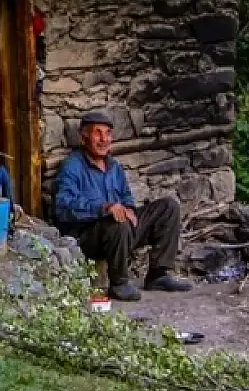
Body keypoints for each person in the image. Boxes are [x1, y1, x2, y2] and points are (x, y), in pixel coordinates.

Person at [53, 110, 189, 302]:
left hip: (120, 235)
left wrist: (129, 209)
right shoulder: (72, 166)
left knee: (168, 207)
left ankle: (158, 274)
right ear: (84, 138)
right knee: (117, 222)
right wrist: (104, 208)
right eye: (97, 133)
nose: (104, 139)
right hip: (89, 237)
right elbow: (63, 206)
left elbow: (125, 197)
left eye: (108, 133)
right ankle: (119, 284)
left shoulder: (114, 167)